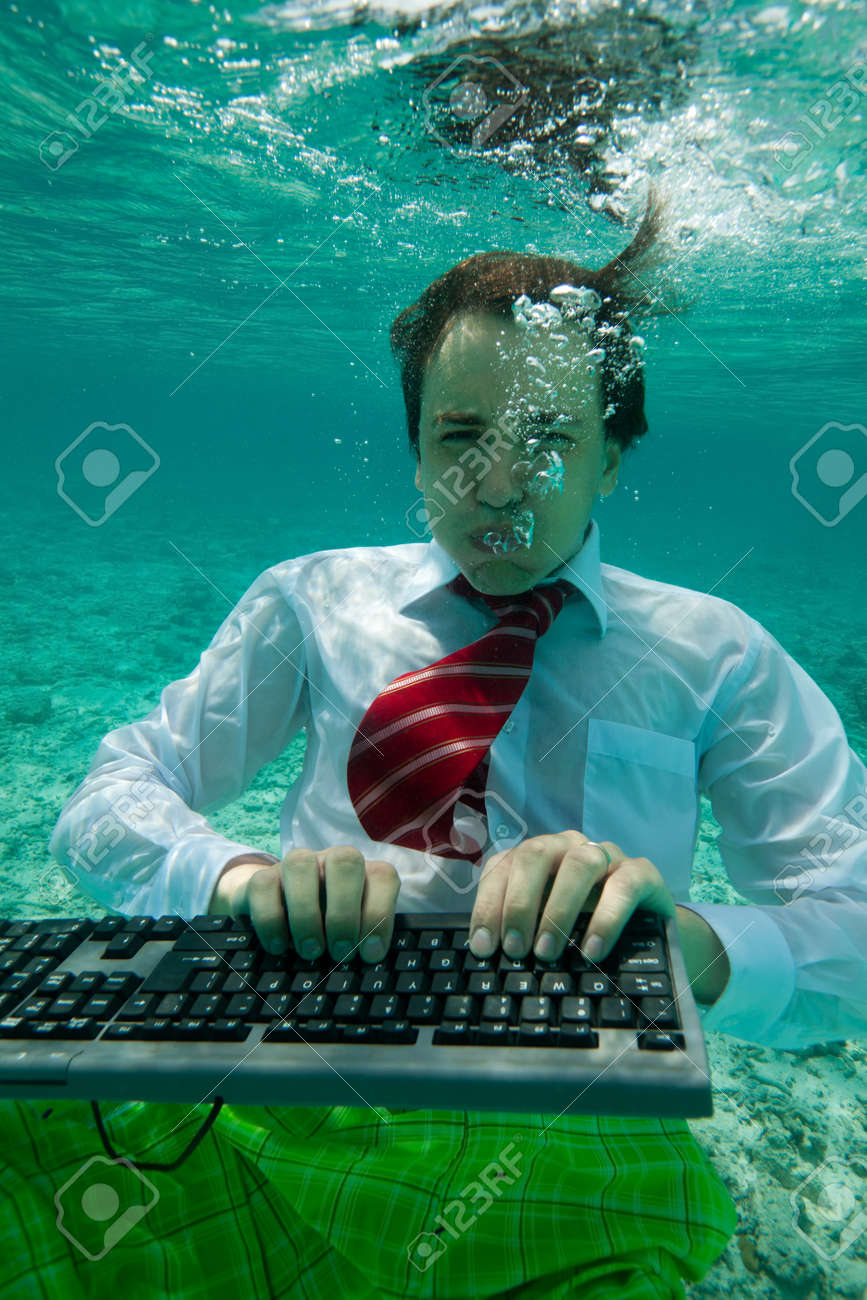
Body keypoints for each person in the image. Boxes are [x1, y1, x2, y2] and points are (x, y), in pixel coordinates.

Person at [2, 194, 865, 1300]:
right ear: (416, 452)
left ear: (613, 456)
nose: (497, 486)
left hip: (573, 1128)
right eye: (461, 438)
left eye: (550, 438)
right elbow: (111, 794)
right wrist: (232, 878)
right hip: (284, 1084)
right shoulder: (310, 601)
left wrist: (688, 950)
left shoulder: (717, 653)